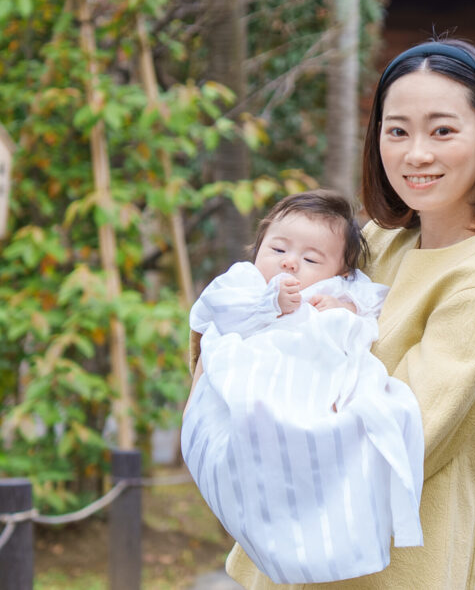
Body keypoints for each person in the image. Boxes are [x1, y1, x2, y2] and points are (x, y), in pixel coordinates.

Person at [224, 37, 475, 589]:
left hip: (384, 573)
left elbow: (395, 445)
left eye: (442, 130)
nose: (416, 153)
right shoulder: (380, 240)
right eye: (397, 131)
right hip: (286, 557)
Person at [182, 190, 425, 585]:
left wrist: (346, 308)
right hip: (257, 377)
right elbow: (214, 314)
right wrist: (270, 304)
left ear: (340, 272)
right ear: (257, 248)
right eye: (277, 248)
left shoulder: (342, 289)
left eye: (311, 259)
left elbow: (375, 307)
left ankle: (323, 544)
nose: (289, 262)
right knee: (260, 437)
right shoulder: (244, 282)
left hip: (316, 387)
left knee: (322, 452)